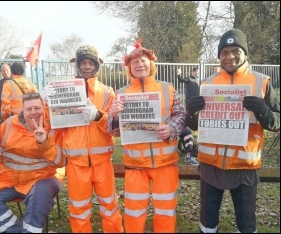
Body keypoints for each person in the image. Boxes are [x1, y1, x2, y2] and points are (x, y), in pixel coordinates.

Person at [186, 29, 280, 233]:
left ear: (245, 53)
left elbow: (277, 122)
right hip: (211, 164)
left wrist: (263, 111)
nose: (230, 56)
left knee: (246, 222)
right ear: (219, 56)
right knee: (208, 222)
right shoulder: (207, 83)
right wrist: (191, 112)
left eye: (236, 50)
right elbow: (194, 126)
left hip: (244, 165)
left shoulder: (261, 82)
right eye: (224, 52)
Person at [42, 45, 123, 233]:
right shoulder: (63, 90)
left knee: (110, 206)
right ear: (77, 65)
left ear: (97, 65)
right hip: (76, 164)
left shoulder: (107, 92)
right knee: (79, 210)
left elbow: (115, 130)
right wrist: (46, 103)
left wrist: (98, 116)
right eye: (83, 62)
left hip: (103, 162)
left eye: (90, 62)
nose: (87, 66)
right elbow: (51, 125)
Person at [107, 38, 186, 233]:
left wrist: (171, 128)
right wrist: (115, 116)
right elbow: (112, 130)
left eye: (143, 61)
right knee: (134, 210)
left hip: (165, 163)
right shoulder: (120, 94)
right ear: (129, 68)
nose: (140, 65)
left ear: (151, 64)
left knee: (166, 209)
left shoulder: (168, 88)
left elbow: (181, 114)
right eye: (135, 62)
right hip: (135, 165)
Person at [0, 92, 65, 233]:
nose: (33, 112)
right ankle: (16, 230)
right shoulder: (9, 124)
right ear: (23, 109)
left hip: (44, 178)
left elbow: (61, 162)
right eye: (29, 109)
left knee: (39, 198)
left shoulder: (54, 126)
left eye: (37, 108)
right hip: (9, 177)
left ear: (44, 107)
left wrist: (44, 142)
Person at [176, 67, 199, 165]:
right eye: (197, 71)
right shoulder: (189, 79)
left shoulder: (198, 81)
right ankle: (187, 150)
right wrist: (178, 74)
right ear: (193, 71)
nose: (197, 73)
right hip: (190, 105)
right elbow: (181, 80)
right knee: (187, 128)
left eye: (198, 72)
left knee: (188, 130)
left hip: (197, 106)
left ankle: (189, 152)